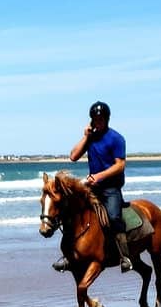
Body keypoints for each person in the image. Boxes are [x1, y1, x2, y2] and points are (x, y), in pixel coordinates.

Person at [52, 101, 133, 273]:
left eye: (101, 119)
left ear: (107, 119)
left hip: (111, 188)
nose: (98, 122)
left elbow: (120, 166)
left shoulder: (116, 139)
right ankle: (69, 256)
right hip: (92, 189)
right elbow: (73, 156)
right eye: (95, 119)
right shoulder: (91, 138)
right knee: (70, 213)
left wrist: (98, 176)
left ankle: (124, 256)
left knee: (113, 217)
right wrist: (86, 136)